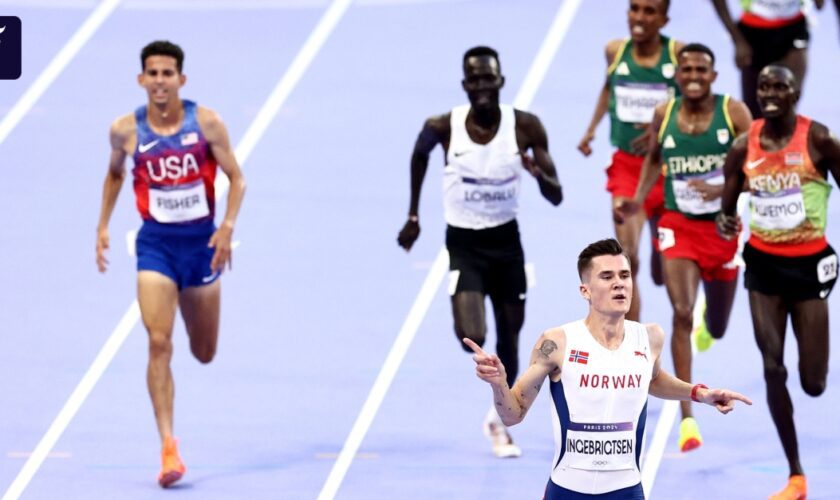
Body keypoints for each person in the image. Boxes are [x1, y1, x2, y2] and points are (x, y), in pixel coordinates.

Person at [465, 238, 751, 499]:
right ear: (585, 290)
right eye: (607, 276)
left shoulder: (649, 338)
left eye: (624, 276)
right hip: (567, 491)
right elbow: (512, 414)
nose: (620, 283)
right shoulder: (556, 343)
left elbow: (651, 379)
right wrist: (499, 384)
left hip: (626, 491)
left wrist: (700, 393)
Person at [396, 46, 562, 457]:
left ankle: (498, 419)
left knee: (509, 337)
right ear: (465, 85)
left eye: (490, 79)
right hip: (465, 245)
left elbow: (557, 196)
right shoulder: (442, 127)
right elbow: (417, 155)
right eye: (476, 80)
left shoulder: (525, 128)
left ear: (501, 81)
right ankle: (499, 402)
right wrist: (414, 216)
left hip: (507, 243)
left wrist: (537, 172)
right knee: (473, 335)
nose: (483, 86)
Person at [95, 40, 246, 488]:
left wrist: (227, 228)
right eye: (152, 73)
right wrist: (103, 225)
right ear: (141, 80)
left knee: (203, 352)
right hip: (156, 245)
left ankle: (190, 297)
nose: (160, 81)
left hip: (201, 246)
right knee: (158, 343)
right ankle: (167, 447)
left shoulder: (208, 124)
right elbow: (116, 173)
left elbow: (237, 178)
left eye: (168, 73)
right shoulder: (124, 130)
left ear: (181, 79)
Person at [615, 43, 752, 452]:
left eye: (701, 69)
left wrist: (722, 187)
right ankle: (688, 419)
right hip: (678, 226)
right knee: (679, 312)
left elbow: (756, 164)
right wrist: (640, 200)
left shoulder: (734, 113)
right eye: (686, 68)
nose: (693, 74)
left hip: (721, 229)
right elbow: (654, 158)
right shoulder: (665, 114)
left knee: (719, 326)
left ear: (713, 76)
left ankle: (711, 320)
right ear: (678, 76)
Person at [717, 65, 839, 500]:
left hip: (809, 270)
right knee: (772, 367)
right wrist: (726, 222)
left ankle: (797, 468)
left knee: (813, 383)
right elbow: (727, 208)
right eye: (763, 86)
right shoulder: (741, 147)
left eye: (779, 86)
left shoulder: (820, 140)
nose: (769, 93)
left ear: (795, 92)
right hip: (764, 268)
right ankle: (796, 474)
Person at [578, 0, 684, 322]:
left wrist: (659, 130)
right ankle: (633, 345)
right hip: (626, 167)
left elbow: (694, 107)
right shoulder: (614, 51)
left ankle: (659, 243)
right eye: (635, 9)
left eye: (650, 11)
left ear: (664, 19)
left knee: (663, 271)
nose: (640, 17)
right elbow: (607, 88)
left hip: (666, 169)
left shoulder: (678, 55)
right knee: (627, 261)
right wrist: (591, 129)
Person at [711, 0, 827, 118]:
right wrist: (738, 40)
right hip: (753, 34)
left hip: (794, 29)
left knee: (787, 105)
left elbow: (820, 6)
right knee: (754, 115)